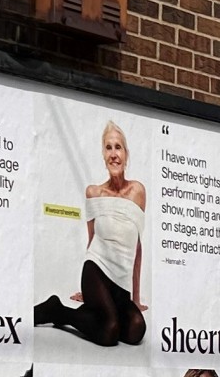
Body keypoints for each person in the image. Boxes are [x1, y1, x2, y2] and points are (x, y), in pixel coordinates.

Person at [34, 120, 147, 347]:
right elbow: (92, 238)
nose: (113, 154)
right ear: (103, 155)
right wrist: (89, 289)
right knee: (109, 331)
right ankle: (56, 310)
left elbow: (137, 246)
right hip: (96, 269)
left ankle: (92, 311)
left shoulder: (138, 191)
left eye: (118, 147)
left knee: (136, 330)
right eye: (108, 148)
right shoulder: (94, 193)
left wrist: (135, 297)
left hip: (121, 281)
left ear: (126, 153)